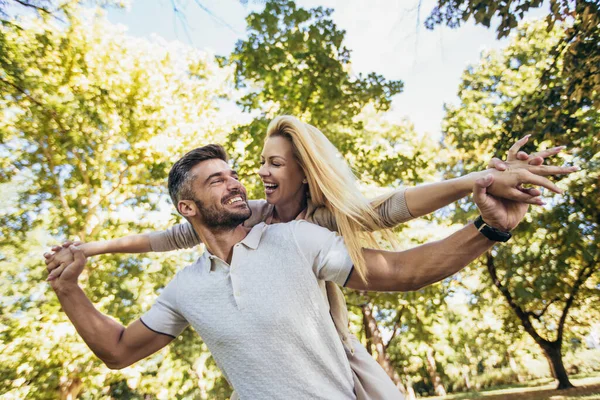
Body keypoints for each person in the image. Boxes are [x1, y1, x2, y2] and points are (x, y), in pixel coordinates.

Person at [45, 116, 576, 398]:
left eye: (256, 169)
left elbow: (396, 237)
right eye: (225, 177)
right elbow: (120, 342)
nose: (245, 181)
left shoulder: (304, 233)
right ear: (190, 205)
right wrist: (76, 272)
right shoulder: (197, 276)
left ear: (303, 172)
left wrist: (484, 207)